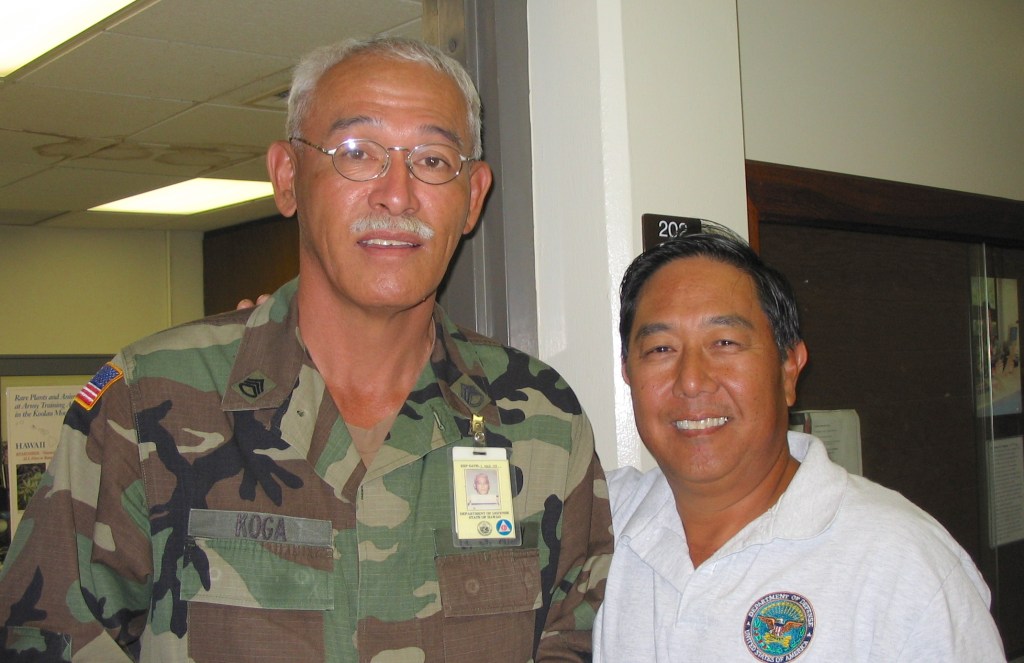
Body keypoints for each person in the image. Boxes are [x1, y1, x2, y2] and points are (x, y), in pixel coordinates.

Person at [0, 37, 612, 662]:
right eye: (357, 153)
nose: (397, 194)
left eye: (432, 160)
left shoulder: (542, 420)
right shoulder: (146, 400)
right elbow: (44, 639)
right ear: (288, 178)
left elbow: (577, 641)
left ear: (473, 197)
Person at [593, 227, 1005, 661]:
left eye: (725, 343)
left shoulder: (903, 564)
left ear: (789, 368)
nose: (692, 380)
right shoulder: (596, 520)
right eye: (660, 349)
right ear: (628, 373)